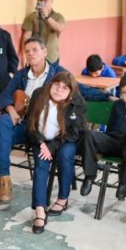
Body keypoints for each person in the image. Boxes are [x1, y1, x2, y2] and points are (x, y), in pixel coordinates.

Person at [0, 37, 64, 205]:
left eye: (35, 50)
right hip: (22, 124)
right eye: (27, 51)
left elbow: (78, 89)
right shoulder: (22, 75)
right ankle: (3, 179)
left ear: (44, 52)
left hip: (42, 129)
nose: (30, 54)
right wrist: (11, 110)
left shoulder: (58, 73)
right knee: (2, 122)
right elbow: (4, 96)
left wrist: (106, 96)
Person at [26, 72, 87, 234]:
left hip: (66, 140)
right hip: (41, 140)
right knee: (41, 163)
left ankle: (63, 198)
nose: (59, 90)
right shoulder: (39, 94)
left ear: (70, 92)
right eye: (56, 85)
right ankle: (40, 210)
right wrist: (41, 143)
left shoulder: (77, 102)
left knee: (65, 155)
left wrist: (52, 147)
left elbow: (74, 132)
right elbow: (30, 123)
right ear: (51, 84)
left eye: (64, 88)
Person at [79, 74, 126, 200]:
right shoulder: (118, 105)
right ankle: (89, 176)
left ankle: (124, 183)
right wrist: (104, 142)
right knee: (90, 135)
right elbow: (111, 126)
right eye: (124, 93)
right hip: (113, 140)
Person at [22, 0, 65, 65]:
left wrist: (47, 16)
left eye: (45, 0)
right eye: (39, 1)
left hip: (52, 57)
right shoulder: (32, 17)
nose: (42, 3)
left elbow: (59, 28)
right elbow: (26, 37)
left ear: (51, 0)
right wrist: (24, 57)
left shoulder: (58, 16)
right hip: (36, 58)